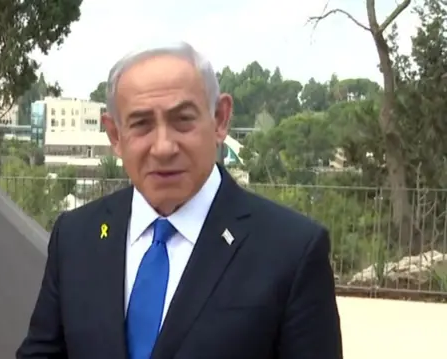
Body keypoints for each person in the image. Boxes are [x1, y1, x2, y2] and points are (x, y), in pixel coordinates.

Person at [17, 41, 342, 359]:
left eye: (182, 120)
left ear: (220, 119)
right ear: (115, 135)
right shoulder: (75, 237)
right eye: (141, 124)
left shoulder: (292, 250)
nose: (163, 147)